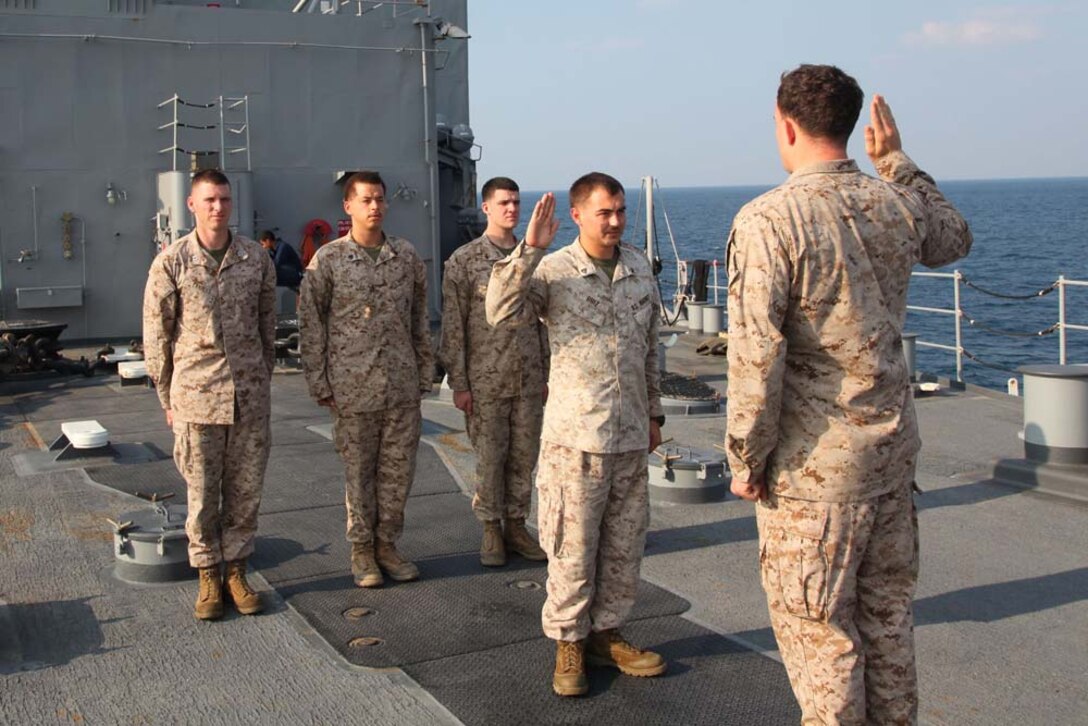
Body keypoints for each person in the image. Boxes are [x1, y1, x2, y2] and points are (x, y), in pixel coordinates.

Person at [725, 64, 972, 724]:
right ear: (851, 124)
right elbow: (954, 238)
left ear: (786, 125)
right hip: (891, 467)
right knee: (889, 629)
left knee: (822, 642)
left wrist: (745, 462)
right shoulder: (893, 202)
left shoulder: (768, 221)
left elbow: (756, 357)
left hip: (814, 480)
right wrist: (896, 163)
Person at [486, 173, 667, 697]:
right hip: (576, 438)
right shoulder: (554, 271)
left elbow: (650, 347)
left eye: (621, 211)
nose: (614, 221)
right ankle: (568, 642)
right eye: (604, 212)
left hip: (630, 434)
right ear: (579, 215)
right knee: (572, 546)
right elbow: (498, 311)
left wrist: (654, 415)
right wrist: (528, 250)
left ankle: (606, 634)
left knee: (623, 544)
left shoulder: (636, 267)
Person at [142, 168, 277, 621]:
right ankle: (206, 572)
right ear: (192, 205)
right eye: (210, 200)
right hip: (196, 399)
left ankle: (236, 571)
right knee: (201, 496)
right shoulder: (172, 262)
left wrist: (261, 379)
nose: (218, 207)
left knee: (245, 493)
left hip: (249, 399)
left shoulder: (255, 259)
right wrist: (167, 398)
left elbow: (266, 326)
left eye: (224, 199)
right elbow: (157, 335)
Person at [298, 170, 434, 588]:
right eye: (366, 200)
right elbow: (311, 323)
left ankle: (388, 545)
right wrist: (320, 383)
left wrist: (425, 372)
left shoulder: (406, 256)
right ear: (348, 206)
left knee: (397, 474)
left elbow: (419, 319)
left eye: (380, 199)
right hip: (352, 388)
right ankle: (362, 552)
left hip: (401, 386)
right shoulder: (330, 260)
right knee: (359, 475)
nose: (374, 206)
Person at [438, 176, 549, 568]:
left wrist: (547, 375)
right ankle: (490, 529)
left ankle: (517, 526)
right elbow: (454, 326)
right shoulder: (464, 261)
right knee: (489, 458)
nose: (512, 210)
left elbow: (544, 323)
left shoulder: (535, 258)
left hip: (529, 378)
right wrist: (459, 382)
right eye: (504, 203)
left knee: (523, 458)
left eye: (517, 203)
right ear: (486, 207)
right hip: (485, 379)